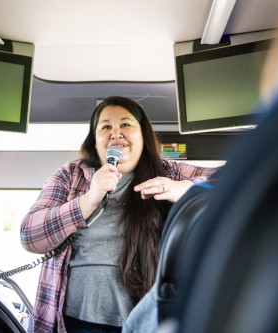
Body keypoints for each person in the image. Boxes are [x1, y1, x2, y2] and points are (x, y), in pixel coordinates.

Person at [20, 96, 218, 333]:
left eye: (125, 124)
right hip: (75, 322)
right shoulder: (69, 176)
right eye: (105, 127)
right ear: (95, 141)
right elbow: (30, 236)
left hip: (147, 322)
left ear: (143, 136)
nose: (116, 133)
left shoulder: (170, 173)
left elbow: (237, 176)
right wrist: (87, 201)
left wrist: (185, 189)